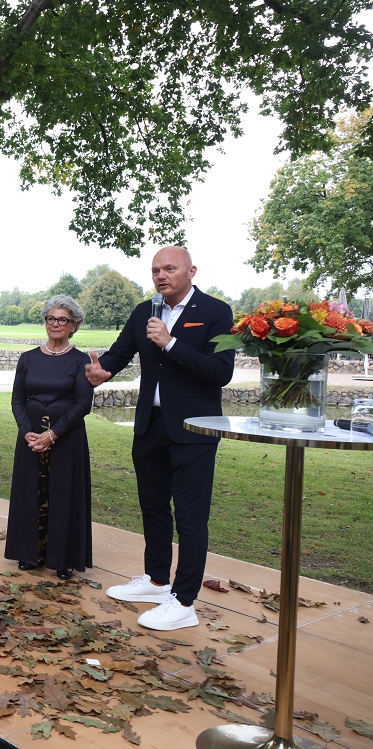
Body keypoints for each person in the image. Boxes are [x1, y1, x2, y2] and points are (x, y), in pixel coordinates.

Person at [85, 246, 235, 632]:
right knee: (152, 507)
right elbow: (119, 354)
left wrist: (170, 343)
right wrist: (102, 372)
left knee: (190, 517)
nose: (161, 276)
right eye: (155, 270)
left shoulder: (216, 312)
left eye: (169, 268)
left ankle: (184, 602)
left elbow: (221, 372)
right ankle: (155, 581)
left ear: (191, 271)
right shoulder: (144, 312)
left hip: (195, 430)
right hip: (149, 426)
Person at [5, 295, 94, 581]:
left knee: (63, 494)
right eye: (51, 318)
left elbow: (83, 403)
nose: (55, 324)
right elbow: (18, 398)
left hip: (66, 437)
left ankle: (62, 558)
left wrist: (53, 434)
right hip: (30, 436)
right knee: (30, 491)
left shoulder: (80, 361)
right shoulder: (28, 358)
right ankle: (28, 553)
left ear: (74, 325)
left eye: (62, 320)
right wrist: (26, 431)